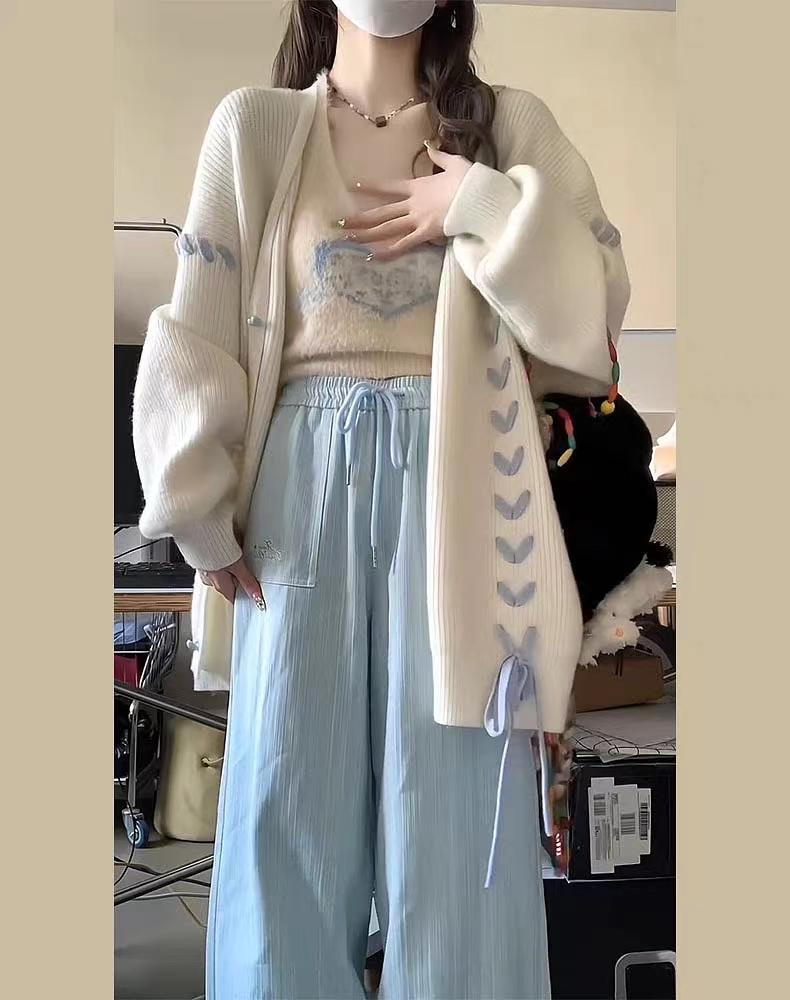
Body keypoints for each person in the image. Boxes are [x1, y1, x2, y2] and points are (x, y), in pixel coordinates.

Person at [133, 2, 630, 997]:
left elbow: (598, 306)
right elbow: (201, 324)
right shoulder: (256, 126)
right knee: (284, 821)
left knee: (460, 834)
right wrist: (197, 508)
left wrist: (480, 205)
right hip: (298, 497)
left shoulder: (508, 125)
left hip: (462, 496)